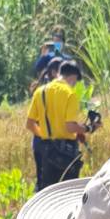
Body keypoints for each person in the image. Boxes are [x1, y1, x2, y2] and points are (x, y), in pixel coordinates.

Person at [25, 58, 87, 188]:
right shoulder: (70, 94)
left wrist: (45, 136)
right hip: (67, 153)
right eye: (75, 81)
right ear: (73, 77)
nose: (75, 84)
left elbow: (29, 124)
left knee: (48, 192)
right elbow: (70, 127)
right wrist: (87, 128)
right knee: (68, 193)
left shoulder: (40, 91)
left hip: (47, 150)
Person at [29, 56, 61, 186]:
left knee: (42, 180)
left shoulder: (39, 91)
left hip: (39, 142)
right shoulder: (57, 93)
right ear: (54, 72)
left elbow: (31, 122)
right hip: (52, 144)